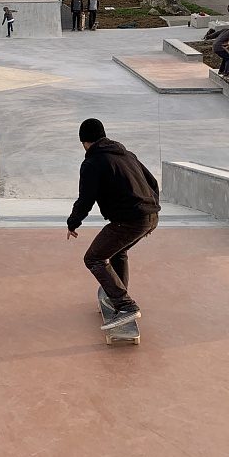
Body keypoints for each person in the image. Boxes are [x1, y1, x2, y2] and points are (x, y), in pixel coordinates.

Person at [67, 118, 160, 331]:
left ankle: (126, 305)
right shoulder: (127, 154)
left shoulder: (92, 163)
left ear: (83, 142)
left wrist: (73, 222)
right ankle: (118, 294)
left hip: (130, 220)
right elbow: (152, 182)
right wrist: (151, 213)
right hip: (150, 215)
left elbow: (86, 199)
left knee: (94, 257)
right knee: (118, 251)